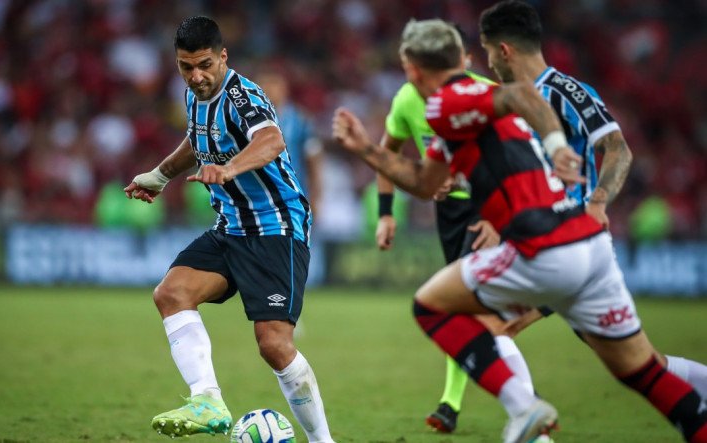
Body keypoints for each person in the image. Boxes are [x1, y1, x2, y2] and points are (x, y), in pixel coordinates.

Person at [333, 18, 707, 443]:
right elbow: (424, 182)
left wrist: (557, 146)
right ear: (462, 57)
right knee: (643, 372)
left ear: (412, 70)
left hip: (543, 248)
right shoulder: (462, 107)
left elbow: (522, 94)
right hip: (589, 244)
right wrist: (366, 149)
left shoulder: (448, 103)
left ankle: (523, 407)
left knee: (432, 306)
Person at [479, 0, 707, 399]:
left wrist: (598, 201)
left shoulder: (565, 91)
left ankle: (534, 427)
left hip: (572, 244)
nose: (487, 62)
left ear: (504, 50)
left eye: (486, 50)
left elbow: (618, 149)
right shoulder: (508, 101)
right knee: (640, 365)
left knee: (490, 326)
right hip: (547, 245)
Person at [124, 17, 334, 442]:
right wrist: (160, 175)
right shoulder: (193, 95)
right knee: (172, 293)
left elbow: (272, 140)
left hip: (277, 226)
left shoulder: (243, 95)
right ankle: (208, 400)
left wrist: (230, 167)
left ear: (223, 56)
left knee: (273, 344)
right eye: (186, 67)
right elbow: (196, 139)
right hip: (231, 228)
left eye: (204, 65)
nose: (197, 76)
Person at [376, 24, 548, 434]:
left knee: (474, 312)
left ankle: (485, 407)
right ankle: (523, 411)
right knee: (473, 311)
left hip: (489, 210)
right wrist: (386, 212)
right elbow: (389, 154)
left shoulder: (485, 94)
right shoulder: (407, 101)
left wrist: (495, 217)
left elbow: (519, 155)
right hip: (449, 216)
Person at [256, 71, 323, 215]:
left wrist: (316, 197)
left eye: (273, 84)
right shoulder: (247, 119)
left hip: (293, 196)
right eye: (264, 84)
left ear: (284, 89)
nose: (268, 88)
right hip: (259, 197)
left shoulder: (300, 120)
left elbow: (313, 159)